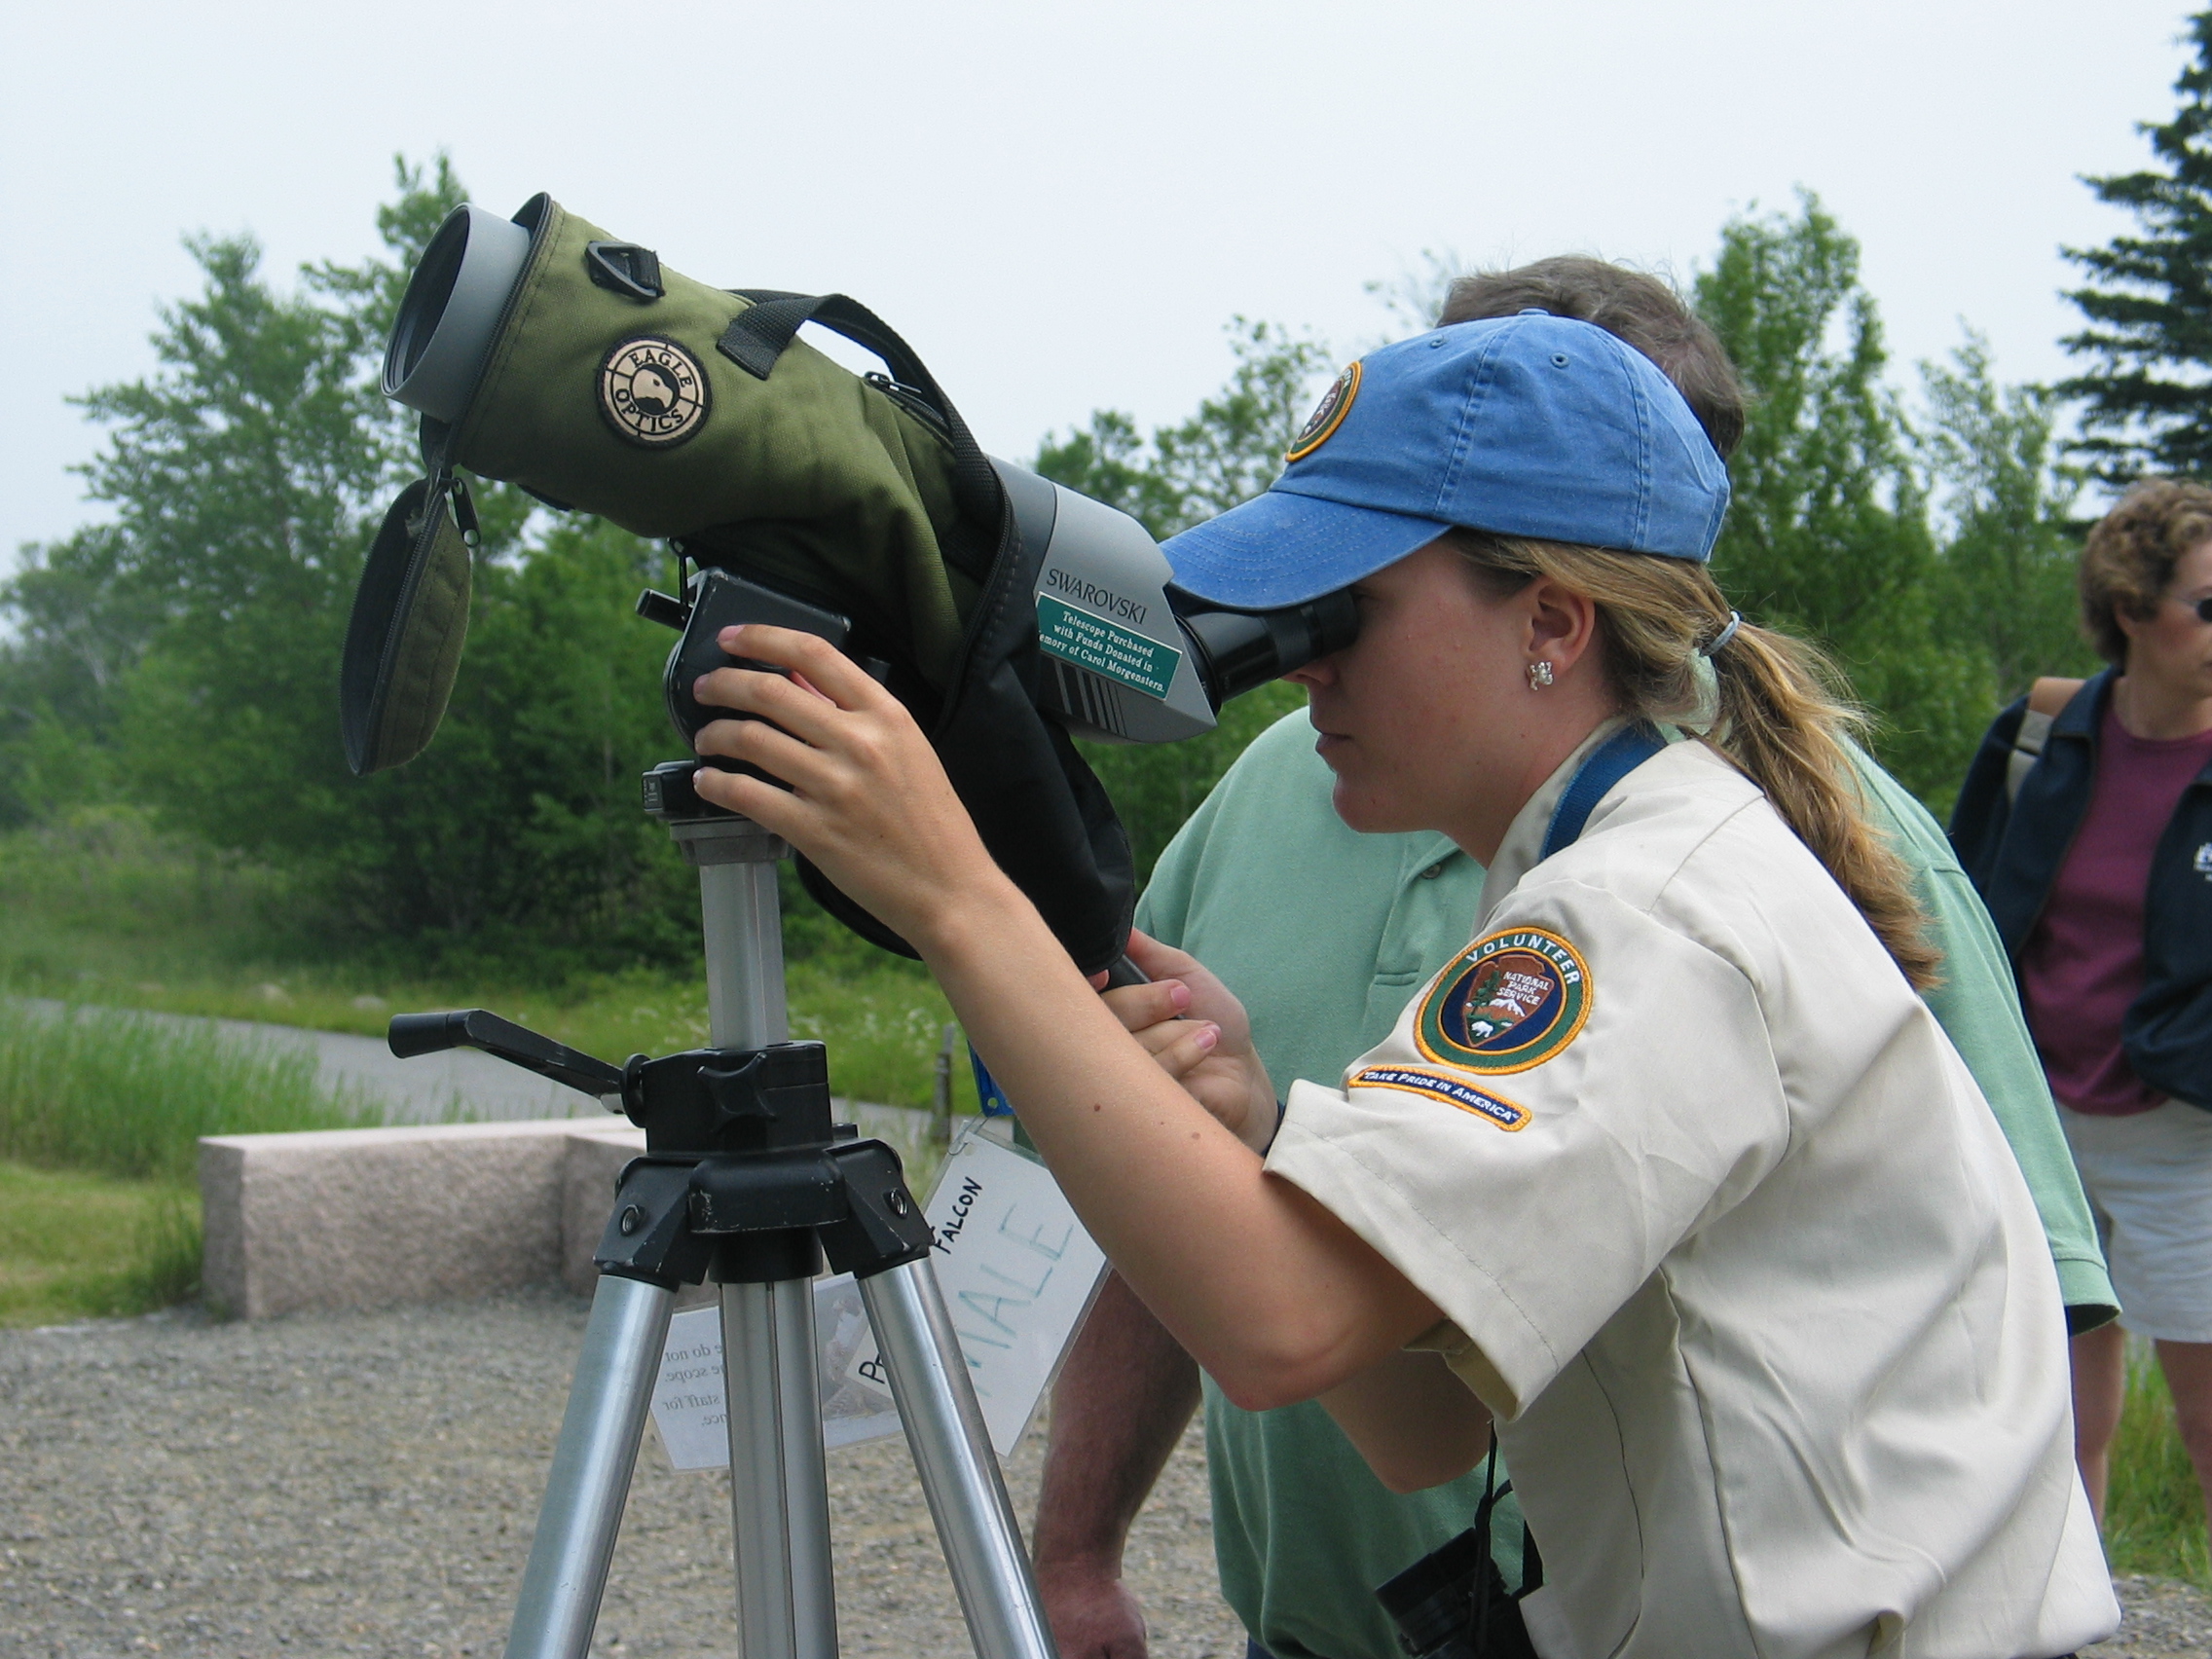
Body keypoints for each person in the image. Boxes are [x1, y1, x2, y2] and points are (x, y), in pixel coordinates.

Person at [687, 312, 2118, 1656]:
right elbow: (1419, 1424)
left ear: (1552, 624)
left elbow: (1272, 1324)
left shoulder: (1644, 913)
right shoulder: (1622, 863)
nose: (1299, 664)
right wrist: (1255, 1143)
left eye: (1340, 610)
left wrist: (955, 894)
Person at [1951, 478, 2212, 1530]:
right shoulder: (2043, 737)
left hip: (2179, 1130)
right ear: (2133, 608)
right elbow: (1952, 900)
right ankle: (2071, 1611)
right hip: (2038, 1118)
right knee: (2056, 1405)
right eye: (2208, 603)